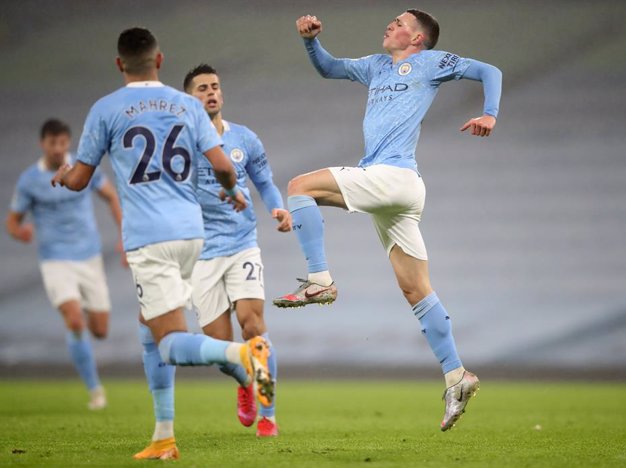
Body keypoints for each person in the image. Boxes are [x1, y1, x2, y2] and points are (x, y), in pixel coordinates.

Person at [51, 27, 274, 459]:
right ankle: (163, 435)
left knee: (170, 340)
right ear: (160, 60)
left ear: (120, 64)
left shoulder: (106, 109)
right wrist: (231, 189)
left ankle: (245, 357)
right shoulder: (187, 105)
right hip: (193, 233)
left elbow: (79, 179)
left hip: (150, 239)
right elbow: (224, 167)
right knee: (147, 327)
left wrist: (62, 174)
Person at [274, 10, 502, 431]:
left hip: (393, 176)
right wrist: (310, 41)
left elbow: (490, 70)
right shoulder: (376, 66)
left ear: (417, 38)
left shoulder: (432, 62)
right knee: (415, 289)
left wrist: (490, 113)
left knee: (299, 186)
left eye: (398, 22)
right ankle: (457, 376)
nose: (389, 25)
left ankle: (319, 279)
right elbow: (330, 68)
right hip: (396, 193)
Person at [181, 63, 289, 437]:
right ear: (189, 99)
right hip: (201, 253)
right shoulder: (181, 144)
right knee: (219, 346)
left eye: (215, 86)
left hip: (242, 245)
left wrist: (277, 206)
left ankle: (269, 415)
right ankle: (244, 382)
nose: (211, 92)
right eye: (202, 88)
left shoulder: (244, 138)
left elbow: (266, 182)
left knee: (253, 325)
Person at [6, 118, 123, 410]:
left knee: (100, 330)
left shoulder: (84, 169)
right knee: (73, 319)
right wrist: (20, 233)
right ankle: (95, 390)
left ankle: (81, 309)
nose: (58, 149)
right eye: (52, 143)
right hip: (55, 259)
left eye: (62, 143)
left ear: (68, 143)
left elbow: (111, 197)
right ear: (42, 144)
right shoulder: (29, 180)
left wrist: (124, 236)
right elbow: (12, 221)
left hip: (89, 256)